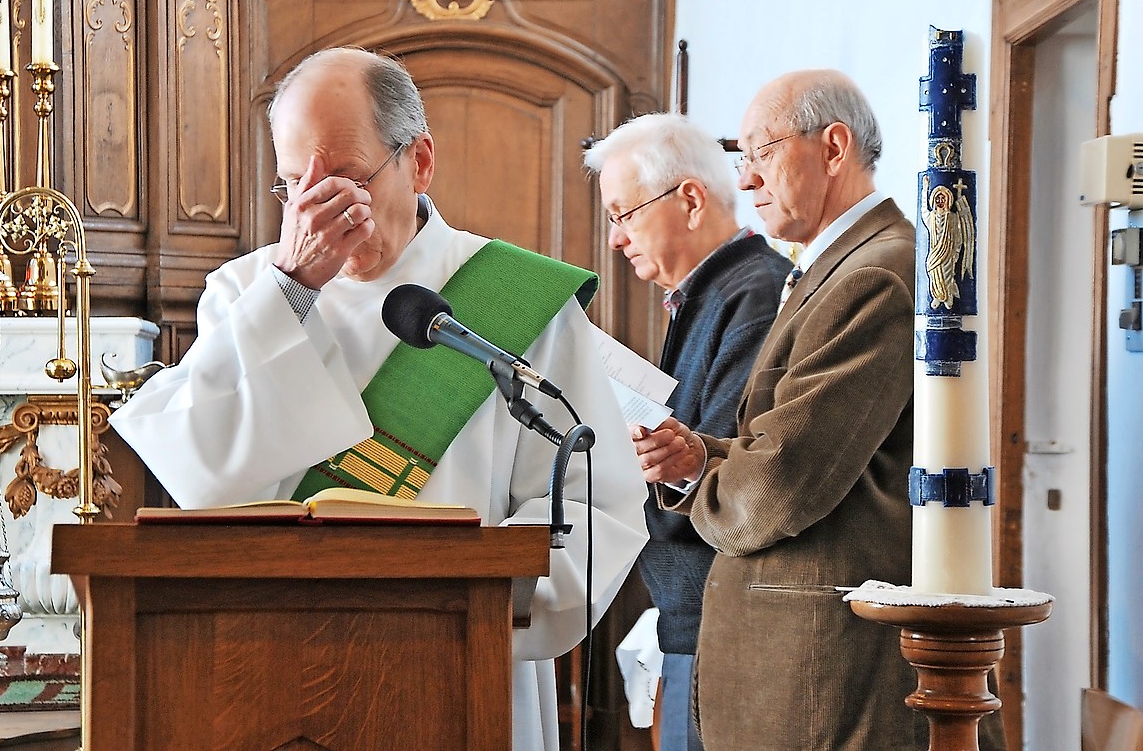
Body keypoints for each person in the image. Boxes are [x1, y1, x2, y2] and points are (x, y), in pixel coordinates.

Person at [109, 47, 649, 751]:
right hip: (276, 669)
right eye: (291, 186)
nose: (316, 206)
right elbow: (205, 476)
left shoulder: (519, 300)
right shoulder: (246, 294)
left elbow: (592, 500)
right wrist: (292, 289)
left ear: (419, 161)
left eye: (343, 178)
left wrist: (496, 599)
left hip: (463, 664)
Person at [633, 70, 1004, 750]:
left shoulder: (873, 272)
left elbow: (780, 483)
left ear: (832, 148)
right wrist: (699, 458)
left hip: (825, 668)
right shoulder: (834, 264)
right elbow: (780, 446)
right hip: (800, 656)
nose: (745, 181)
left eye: (759, 152)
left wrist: (713, 479)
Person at [584, 113, 791, 751]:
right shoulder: (707, 293)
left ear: (691, 200)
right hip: (694, 617)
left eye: (623, 214)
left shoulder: (753, 294)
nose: (615, 239)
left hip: (727, 621)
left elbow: (728, 467)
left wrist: (648, 452)